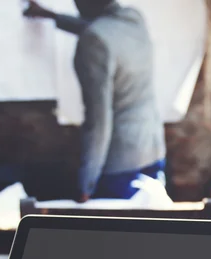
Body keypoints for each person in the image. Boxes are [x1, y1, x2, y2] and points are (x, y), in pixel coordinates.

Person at [25, 0, 166, 201]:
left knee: (117, 231)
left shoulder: (95, 40)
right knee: (154, 228)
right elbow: (101, 31)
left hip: (119, 163)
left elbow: (98, 121)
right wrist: (53, 16)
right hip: (152, 148)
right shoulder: (133, 19)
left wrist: (87, 183)